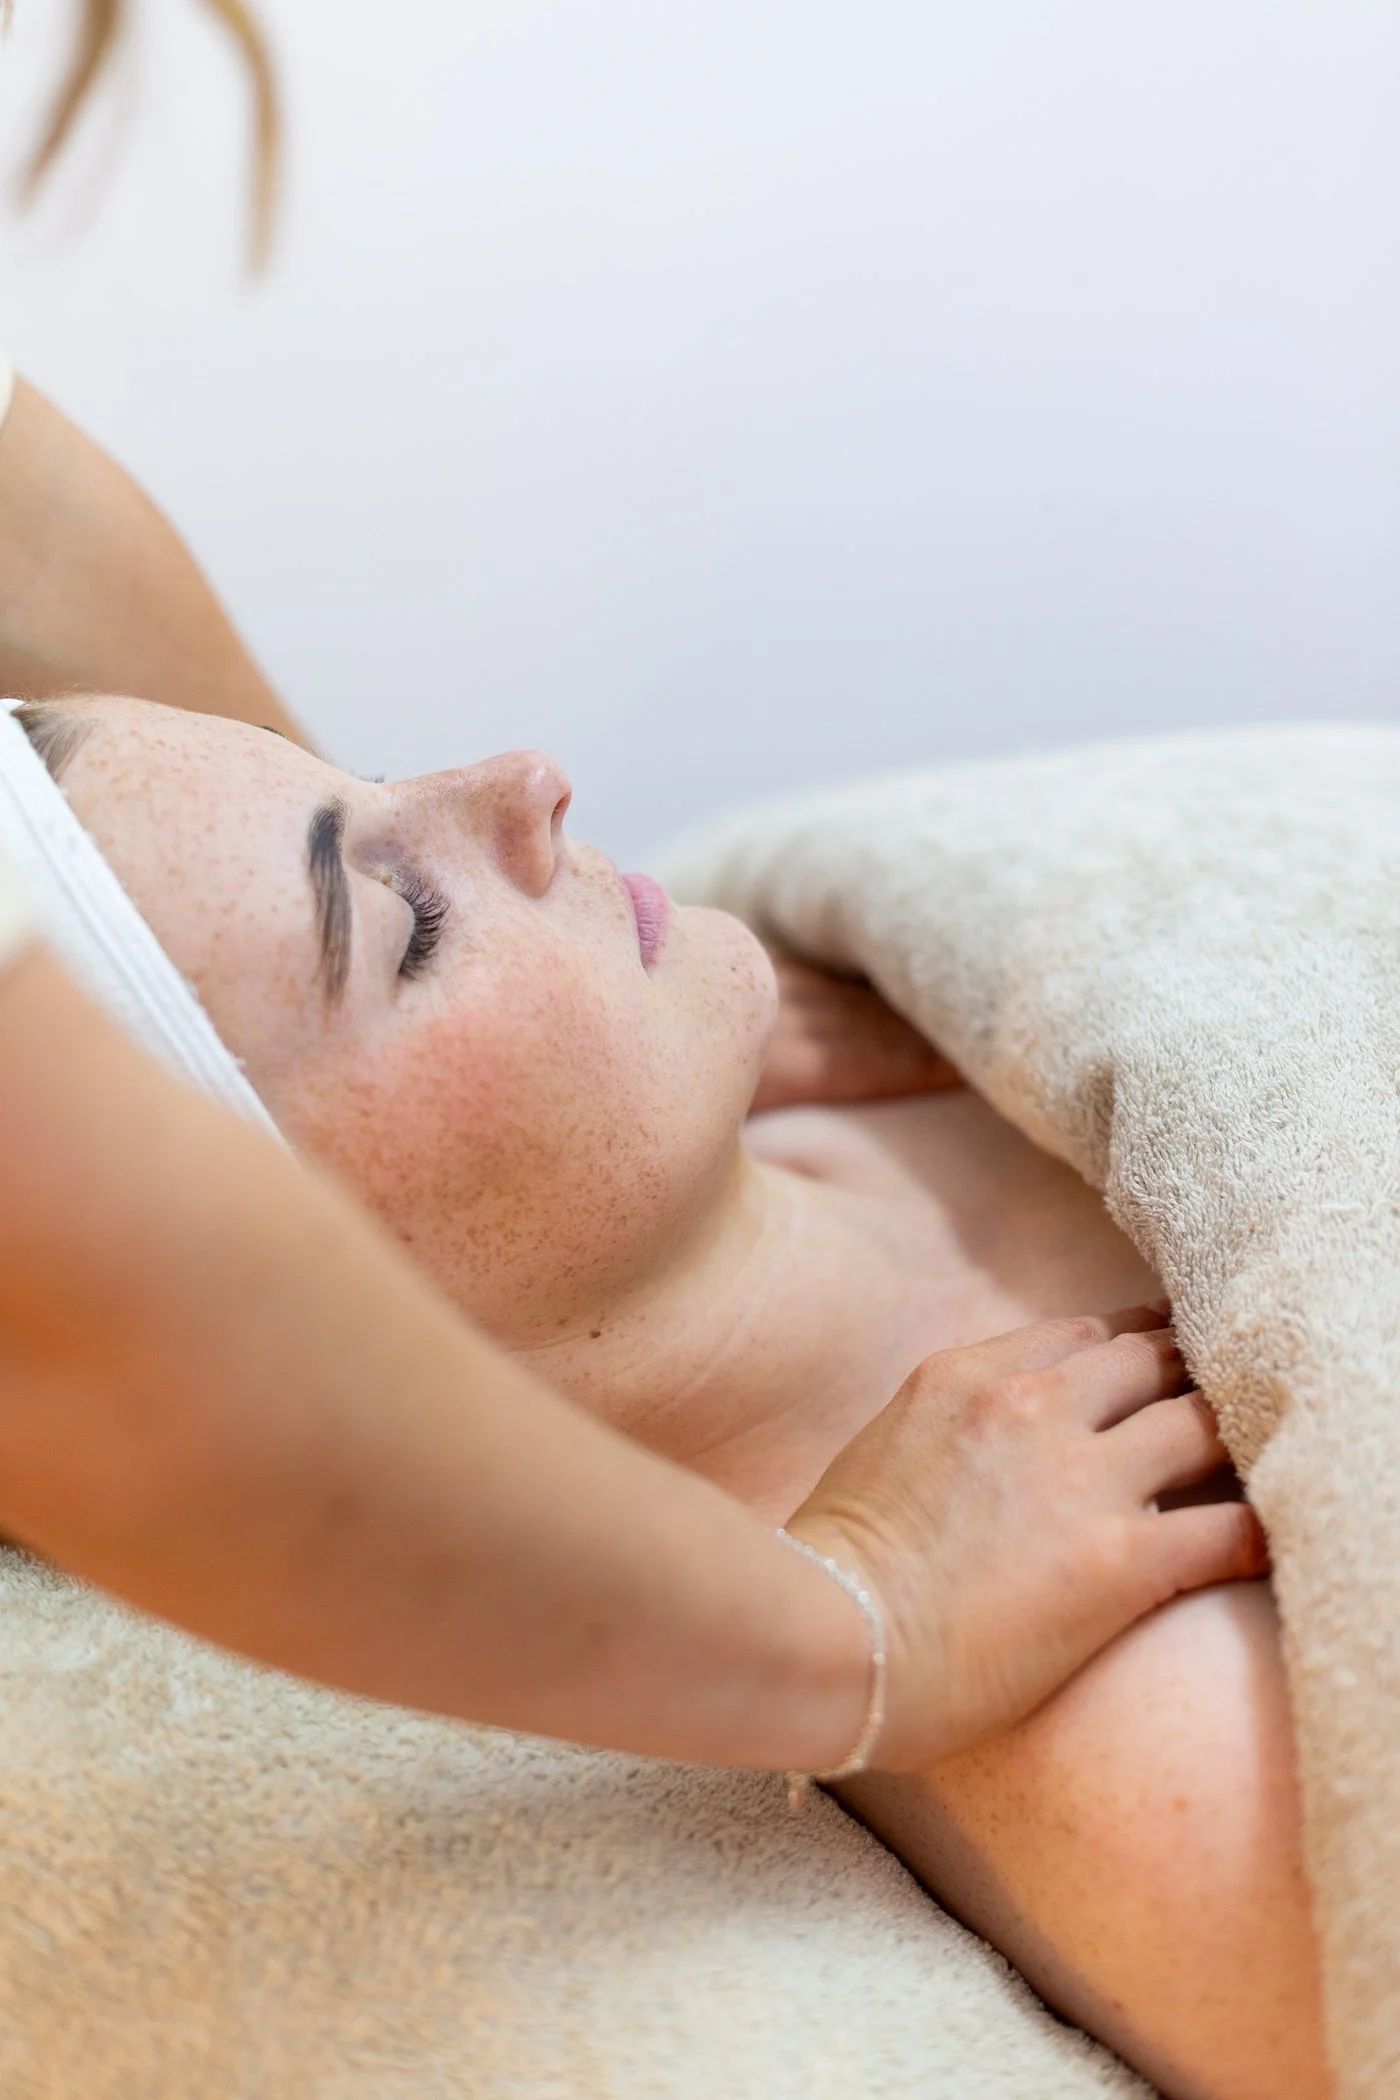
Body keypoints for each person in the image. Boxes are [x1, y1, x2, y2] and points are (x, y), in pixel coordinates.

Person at [10, 689, 1326, 2100]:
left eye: (373, 772)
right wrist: (862, 1629)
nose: (527, 780)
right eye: (407, 927)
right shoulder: (1111, 1705)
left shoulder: (893, 992)